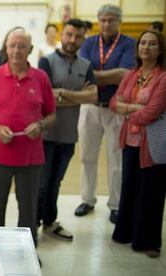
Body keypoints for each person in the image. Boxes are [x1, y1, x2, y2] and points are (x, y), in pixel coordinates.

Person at [0, 29, 56, 245]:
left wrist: (40, 125)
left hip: (30, 158)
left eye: (22, 46)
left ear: (30, 49)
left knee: (28, 209)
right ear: (6, 48)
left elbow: (52, 116)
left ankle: (28, 251)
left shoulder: (41, 78)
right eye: (12, 46)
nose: (16, 51)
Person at [74, 4, 136, 224]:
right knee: (87, 156)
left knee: (116, 159)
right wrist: (113, 74)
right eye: (103, 20)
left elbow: (126, 75)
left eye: (111, 20)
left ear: (119, 21)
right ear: (98, 21)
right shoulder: (89, 42)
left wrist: (96, 75)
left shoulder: (129, 44)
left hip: (116, 109)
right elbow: (82, 74)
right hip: (89, 107)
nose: (107, 24)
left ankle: (116, 205)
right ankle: (87, 200)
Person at [37, 19, 97, 241]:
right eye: (69, 34)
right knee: (42, 184)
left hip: (69, 136)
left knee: (55, 183)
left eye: (78, 36)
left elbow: (93, 96)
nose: (73, 40)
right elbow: (45, 98)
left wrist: (61, 92)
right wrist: (77, 96)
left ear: (83, 38)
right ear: (62, 35)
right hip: (45, 134)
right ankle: (33, 223)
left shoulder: (86, 65)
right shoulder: (47, 61)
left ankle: (50, 222)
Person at [110, 30, 166, 258]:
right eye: (143, 43)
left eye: (152, 44)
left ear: (160, 50)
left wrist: (128, 110)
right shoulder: (132, 74)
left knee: (151, 192)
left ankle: (150, 241)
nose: (146, 47)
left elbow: (153, 111)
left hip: (153, 143)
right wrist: (134, 108)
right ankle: (125, 233)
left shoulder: (163, 77)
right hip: (130, 140)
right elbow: (114, 102)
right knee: (130, 188)